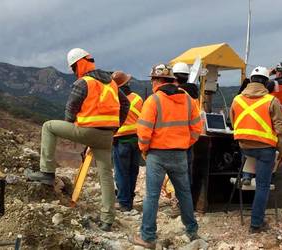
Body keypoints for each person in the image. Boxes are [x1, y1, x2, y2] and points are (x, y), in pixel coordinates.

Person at [25, 48, 130, 232]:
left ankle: (47, 173)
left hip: (87, 131)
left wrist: (71, 128)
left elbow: (70, 109)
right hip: (106, 136)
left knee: (48, 126)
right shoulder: (111, 84)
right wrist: (115, 127)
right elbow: (125, 104)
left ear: (79, 64)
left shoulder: (83, 82)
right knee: (105, 176)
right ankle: (107, 220)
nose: (74, 72)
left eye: (74, 68)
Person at [132, 64, 202, 248]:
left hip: (157, 154)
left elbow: (144, 132)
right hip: (180, 154)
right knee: (184, 193)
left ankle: (148, 237)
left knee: (152, 196)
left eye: (152, 79)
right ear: (172, 80)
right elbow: (197, 128)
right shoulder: (188, 100)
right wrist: (184, 144)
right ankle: (192, 231)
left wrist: (144, 149)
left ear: (156, 80)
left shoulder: (153, 101)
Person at [230, 66, 282, 233]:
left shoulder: (237, 100)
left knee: (247, 163)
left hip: (244, 147)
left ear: (251, 81)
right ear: (266, 82)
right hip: (265, 149)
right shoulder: (271, 101)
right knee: (263, 186)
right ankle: (256, 224)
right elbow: (281, 129)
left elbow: (234, 123)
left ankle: (246, 176)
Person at [111, 71, 143, 212]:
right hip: (137, 140)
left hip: (121, 140)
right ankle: (129, 199)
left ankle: (124, 202)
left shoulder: (114, 100)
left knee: (121, 172)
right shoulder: (138, 98)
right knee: (132, 171)